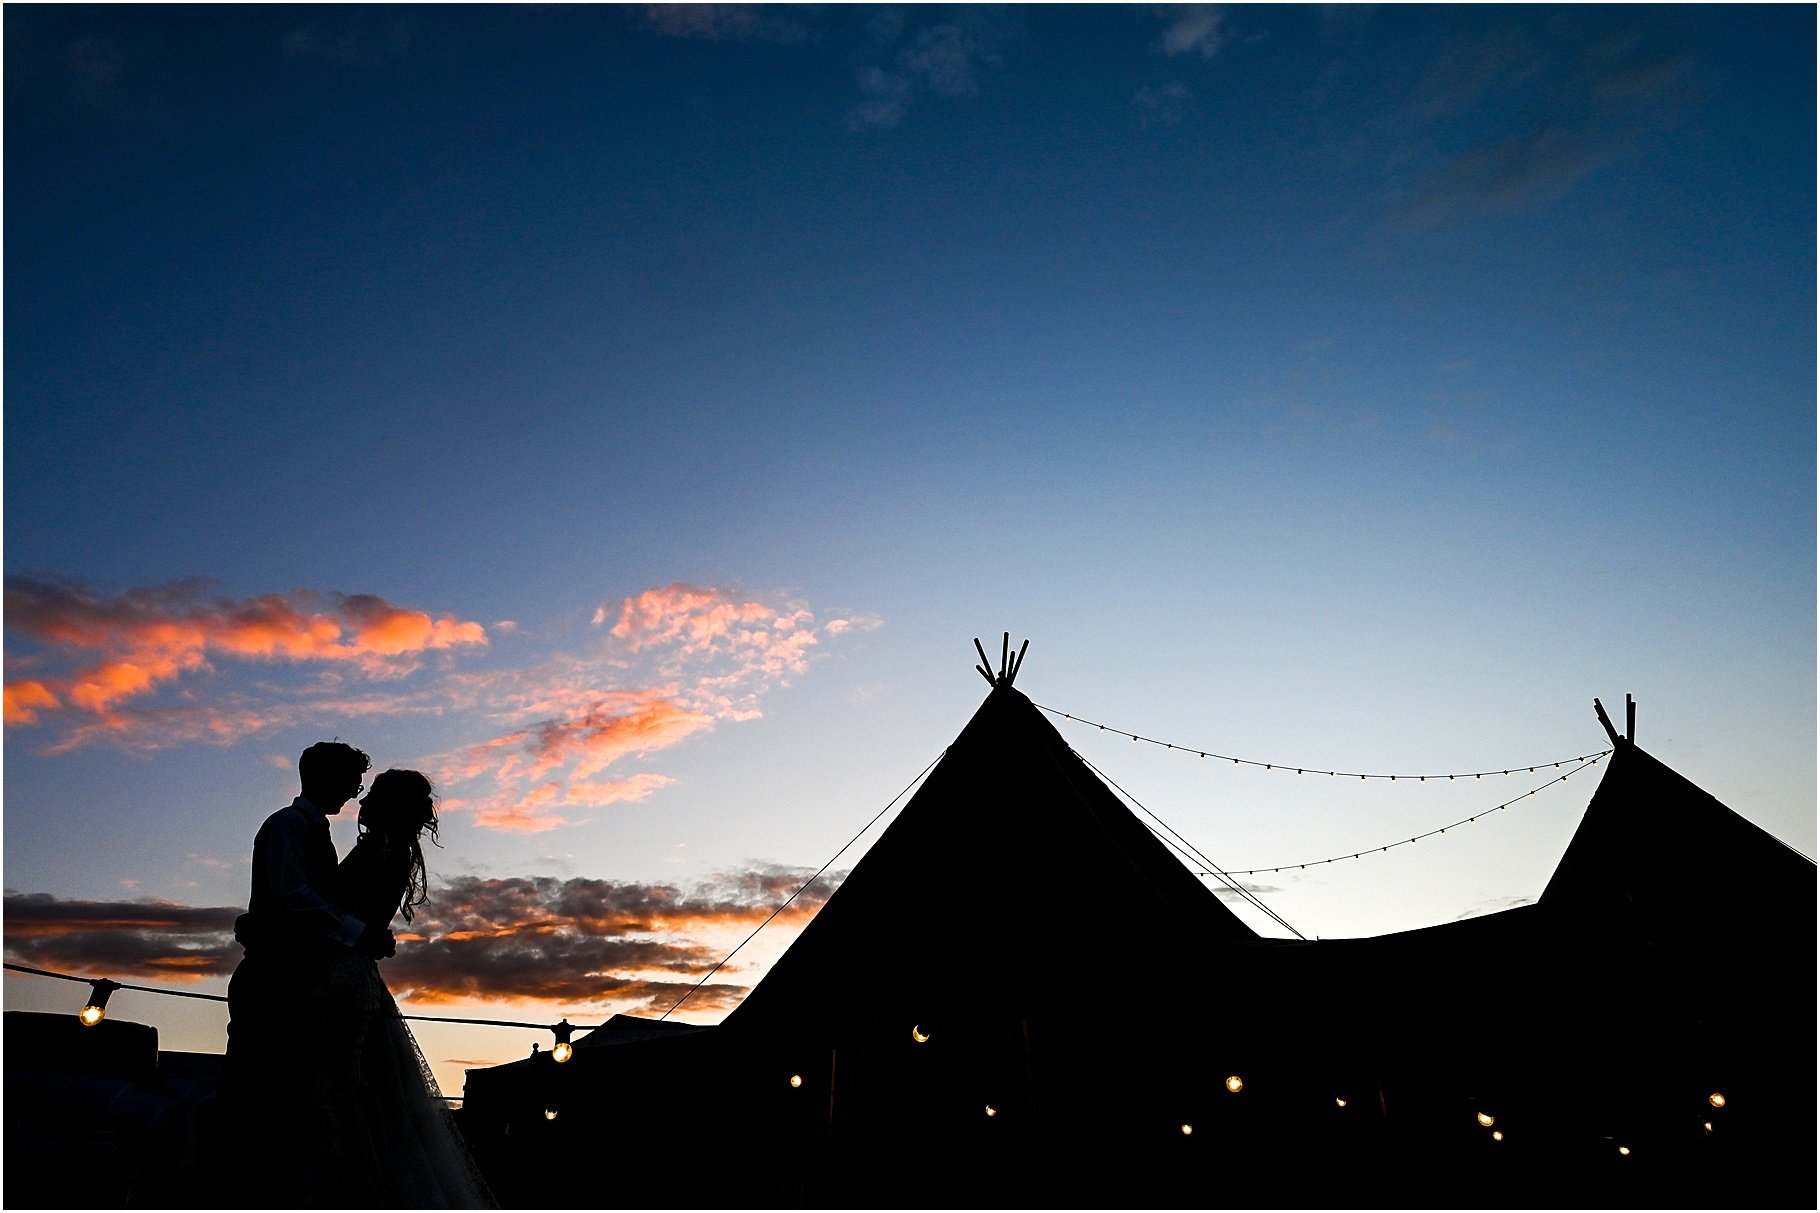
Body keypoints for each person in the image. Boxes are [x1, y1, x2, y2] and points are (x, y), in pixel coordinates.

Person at [219, 740, 394, 1206]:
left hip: (294, 977)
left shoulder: (313, 830)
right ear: (322, 778)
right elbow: (292, 896)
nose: (356, 790)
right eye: (350, 779)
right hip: (272, 977)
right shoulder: (287, 826)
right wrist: (359, 934)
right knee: (257, 1088)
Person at [313, 769, 494, 1208]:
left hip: (343, 975)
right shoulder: (394, 852)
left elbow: (338, 910)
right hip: (357, 971)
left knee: (342, 1088)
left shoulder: (380, 849)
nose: (364, 801)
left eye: (374, 794)